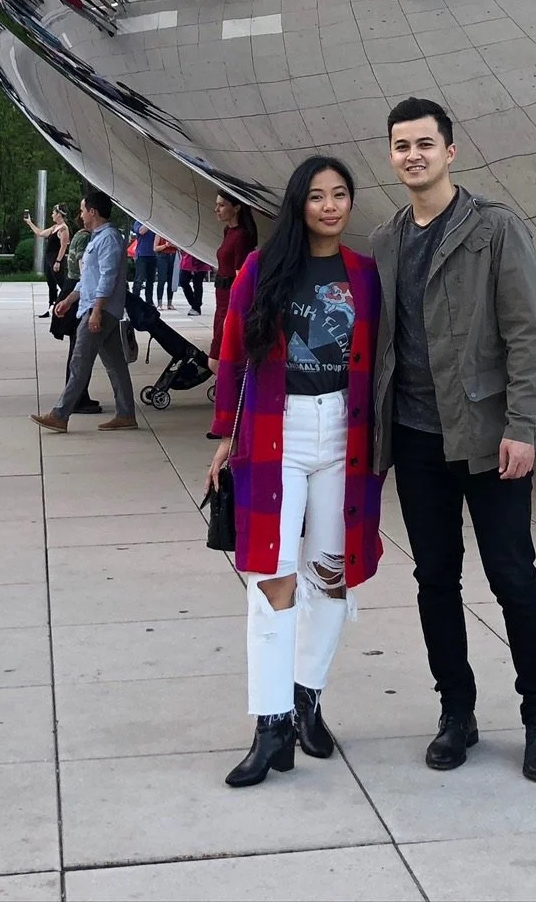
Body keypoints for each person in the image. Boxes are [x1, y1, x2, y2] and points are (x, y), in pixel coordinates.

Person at [371, 98, 536, 782]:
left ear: (450, 151)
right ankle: (456, 714)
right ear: (391, 156)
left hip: (488, 437)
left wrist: (521, 426)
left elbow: (528, 333)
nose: (413, 155)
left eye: (425, 144)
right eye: (402, 146)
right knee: (435, 580)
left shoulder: (494, 228)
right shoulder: (387, 240)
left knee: (513, 577)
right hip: (416, 440)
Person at [206, 156, 385, 787]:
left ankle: (307, 696)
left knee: (330, 574)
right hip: (276, 431)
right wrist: (226, 434)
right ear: (298, 204)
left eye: (340, 195)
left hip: (345, 434)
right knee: (271, 578)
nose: (330, 206)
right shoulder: (263, 267)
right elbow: (233, 351)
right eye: (317, 196)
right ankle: (270, 724)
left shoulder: (366, 274)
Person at [33, 189, 139, 432]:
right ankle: (126, 414)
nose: (80, 215)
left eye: (82, 211)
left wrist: (97, 311)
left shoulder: (108, 238)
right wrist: (69, 300)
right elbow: (89, 278)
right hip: (94, 308)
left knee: (79, 362)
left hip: (99, 310)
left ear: (93, 211)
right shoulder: (99, 237)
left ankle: (60, 415)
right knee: (115, 365)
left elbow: (108, 278)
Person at [215, 191, 258, 324]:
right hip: (221, 293)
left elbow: (241, 274)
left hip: (231, 295)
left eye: (222, 205)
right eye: (217, 205)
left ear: (236, 208)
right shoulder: (228, 231)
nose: (217, 209)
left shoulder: (241, 236)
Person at [30, 204, 72, 316]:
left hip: (55, 260)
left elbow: (63, 246)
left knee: (62, 283)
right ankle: (51, 307)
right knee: (51, 284)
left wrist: (58, 261)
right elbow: (40, 233)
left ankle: (68, 306)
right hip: (49, 260)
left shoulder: (63, 228)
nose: (52, 215)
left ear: (59, 214)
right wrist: (29, 222)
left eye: (53, 213)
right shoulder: (54, 227)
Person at [129, 221, 159, 307]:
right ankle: (135, 301)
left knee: (150, 280)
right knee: (139, 280)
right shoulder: (138, 223)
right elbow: (141, 231)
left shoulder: (155, 223)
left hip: (152, 255)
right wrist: (149, 221)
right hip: (141, 254)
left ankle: (149, 301)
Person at [179, 251, 210, 316]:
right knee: (183, 282)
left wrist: (195, 266)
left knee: (197, 285)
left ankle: (196, 308)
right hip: (187, 261)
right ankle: (195, 303)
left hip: (199, 263)